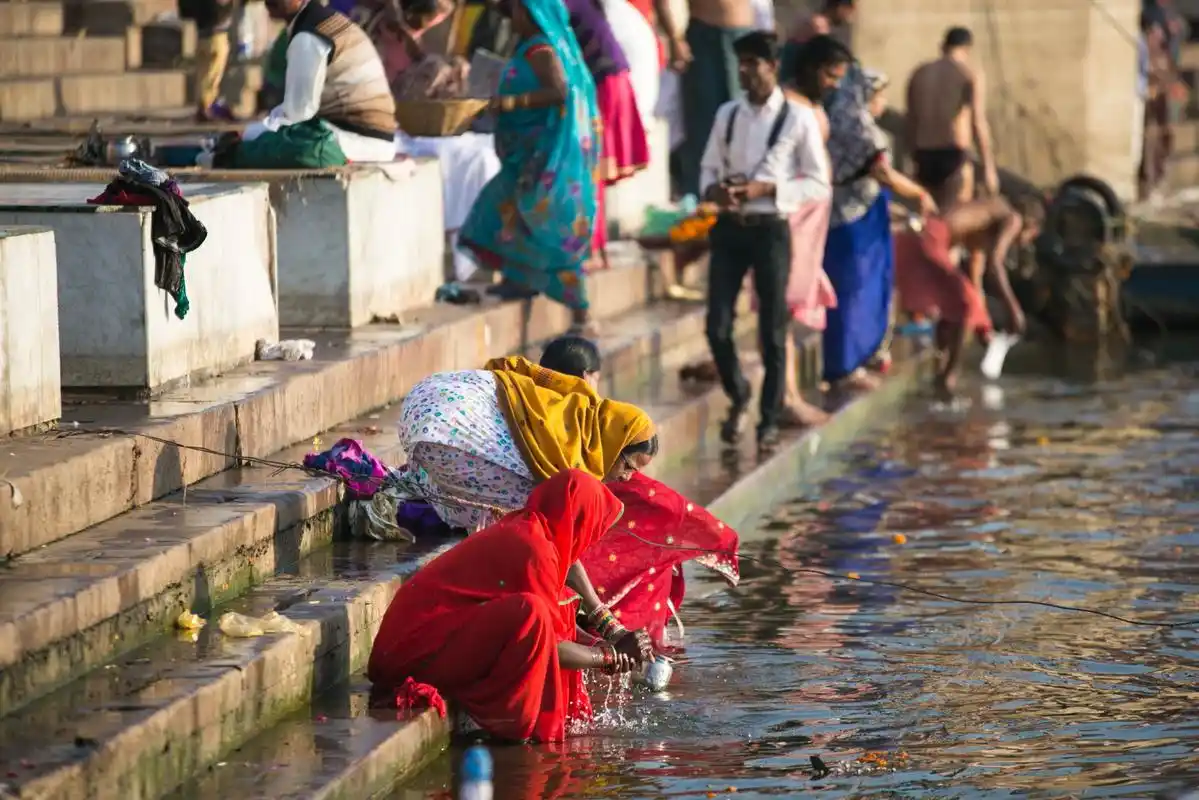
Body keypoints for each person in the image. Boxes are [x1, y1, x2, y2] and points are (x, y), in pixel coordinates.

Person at [392, 356, 658, 663]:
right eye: (628, 467)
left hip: (431, 397)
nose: (627, 478)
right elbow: (547, 639)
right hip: (447, 426)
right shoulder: (557, 476)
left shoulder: (583, 415)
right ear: (616, 444)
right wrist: (607, 640)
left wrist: (600, 627)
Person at [367, 470, 641, 742]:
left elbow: (556, 621)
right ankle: (490, 715)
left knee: (546, 610)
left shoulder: (533, 531)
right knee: (530, 613)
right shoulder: (534, 549)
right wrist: (607, 655)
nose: (591, 541)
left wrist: (607, 640)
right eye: (592, 529)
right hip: (406, 655)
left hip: (413, 645)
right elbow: (549, 643)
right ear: (577, 521)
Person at [539, 336, 741, 648]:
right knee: (654, 544)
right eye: (596, 378)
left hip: (554, 541)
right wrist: (716, 538)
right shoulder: (588, 426)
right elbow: (652, 499)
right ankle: (619, 640)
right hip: (556, 547)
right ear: (585, 377)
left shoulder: (534, 412)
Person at [699, 31, 833, 446]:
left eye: (752, 63)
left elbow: (819, 182)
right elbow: (708, 168)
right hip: (730, 226)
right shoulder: (728, 114)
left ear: (772, 67)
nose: (744, 71)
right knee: (717, 325)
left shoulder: (798, 117)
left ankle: (769, 418)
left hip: (771, 227)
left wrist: (769, 189)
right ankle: (739, 393)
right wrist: (714, 191)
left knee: (773, 328)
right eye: (740, 63)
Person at [458, 0, 601, 335]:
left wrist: (512, 102)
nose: (513, 17)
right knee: (506, 212)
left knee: (548, 228)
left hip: (541, 156)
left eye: (518, 10)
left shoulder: (541, 49)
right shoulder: (528, 45)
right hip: (523, 157)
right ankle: (518, 279)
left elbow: (559, 91)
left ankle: (582, 315)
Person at [823, 48, 936, 392]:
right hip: (852, 220)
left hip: (860, 215)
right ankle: (844, 366)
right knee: (853, 290)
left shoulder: (839, 120)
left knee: (865, 288)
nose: (883, 102)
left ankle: (860, 356)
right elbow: (882, 173)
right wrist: (919, 193)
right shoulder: (859, 128)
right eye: (880, 95)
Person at [893, 196, 1038, 399]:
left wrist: (983, 325)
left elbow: (976, 275)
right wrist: (1014, 309)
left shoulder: (988, 215)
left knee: (954, 305)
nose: (1024, 244)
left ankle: (940, 373)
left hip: (921, 234)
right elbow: (995, 264)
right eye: (1031, 237)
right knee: (964, 304)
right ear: (1032, 226)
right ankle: (948, 380)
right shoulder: (1013, 218)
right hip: (932, 238)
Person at [224, 0, 397, 167]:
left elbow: (298, 114)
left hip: (355, 143)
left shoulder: (308, 36)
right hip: (371, 143)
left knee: (265, 146)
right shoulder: (322, 22)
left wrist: (248, 134)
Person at [904, 26, 996, 290]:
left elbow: (911, 121)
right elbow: (978, 122)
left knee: (926, 227)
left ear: (943, 46)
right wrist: (989, 167)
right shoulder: (968, 73)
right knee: (952, 231)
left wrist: (910, 160)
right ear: (966, 49)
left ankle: (922, 295)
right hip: (954, 155)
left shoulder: (919, 73)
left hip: (923, 154)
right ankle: (946, 295)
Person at [563, 0, 650, 267]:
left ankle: (590, 248)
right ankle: (596, 248)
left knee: (589, 167)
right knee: (593, 169)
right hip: (613, 78)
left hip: (604, 82)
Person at [672, 0, 756, 197]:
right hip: (706, 35)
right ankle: (698, 198)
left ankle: (742, 195)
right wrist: (674, 38)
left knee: (746, 123)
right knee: (704, 125)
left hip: (745, 34)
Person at [778, 0, 854, 83]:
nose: (847, 18)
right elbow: (822, 53)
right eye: (846, 12)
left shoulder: (821, 23)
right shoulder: (819, 25)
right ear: (839, 8)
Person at [185, 0, 237, 121]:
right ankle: (206, 107)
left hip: (202, 35)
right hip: (216, 36)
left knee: (203, 74)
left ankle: (204, 106)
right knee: (212, 74)